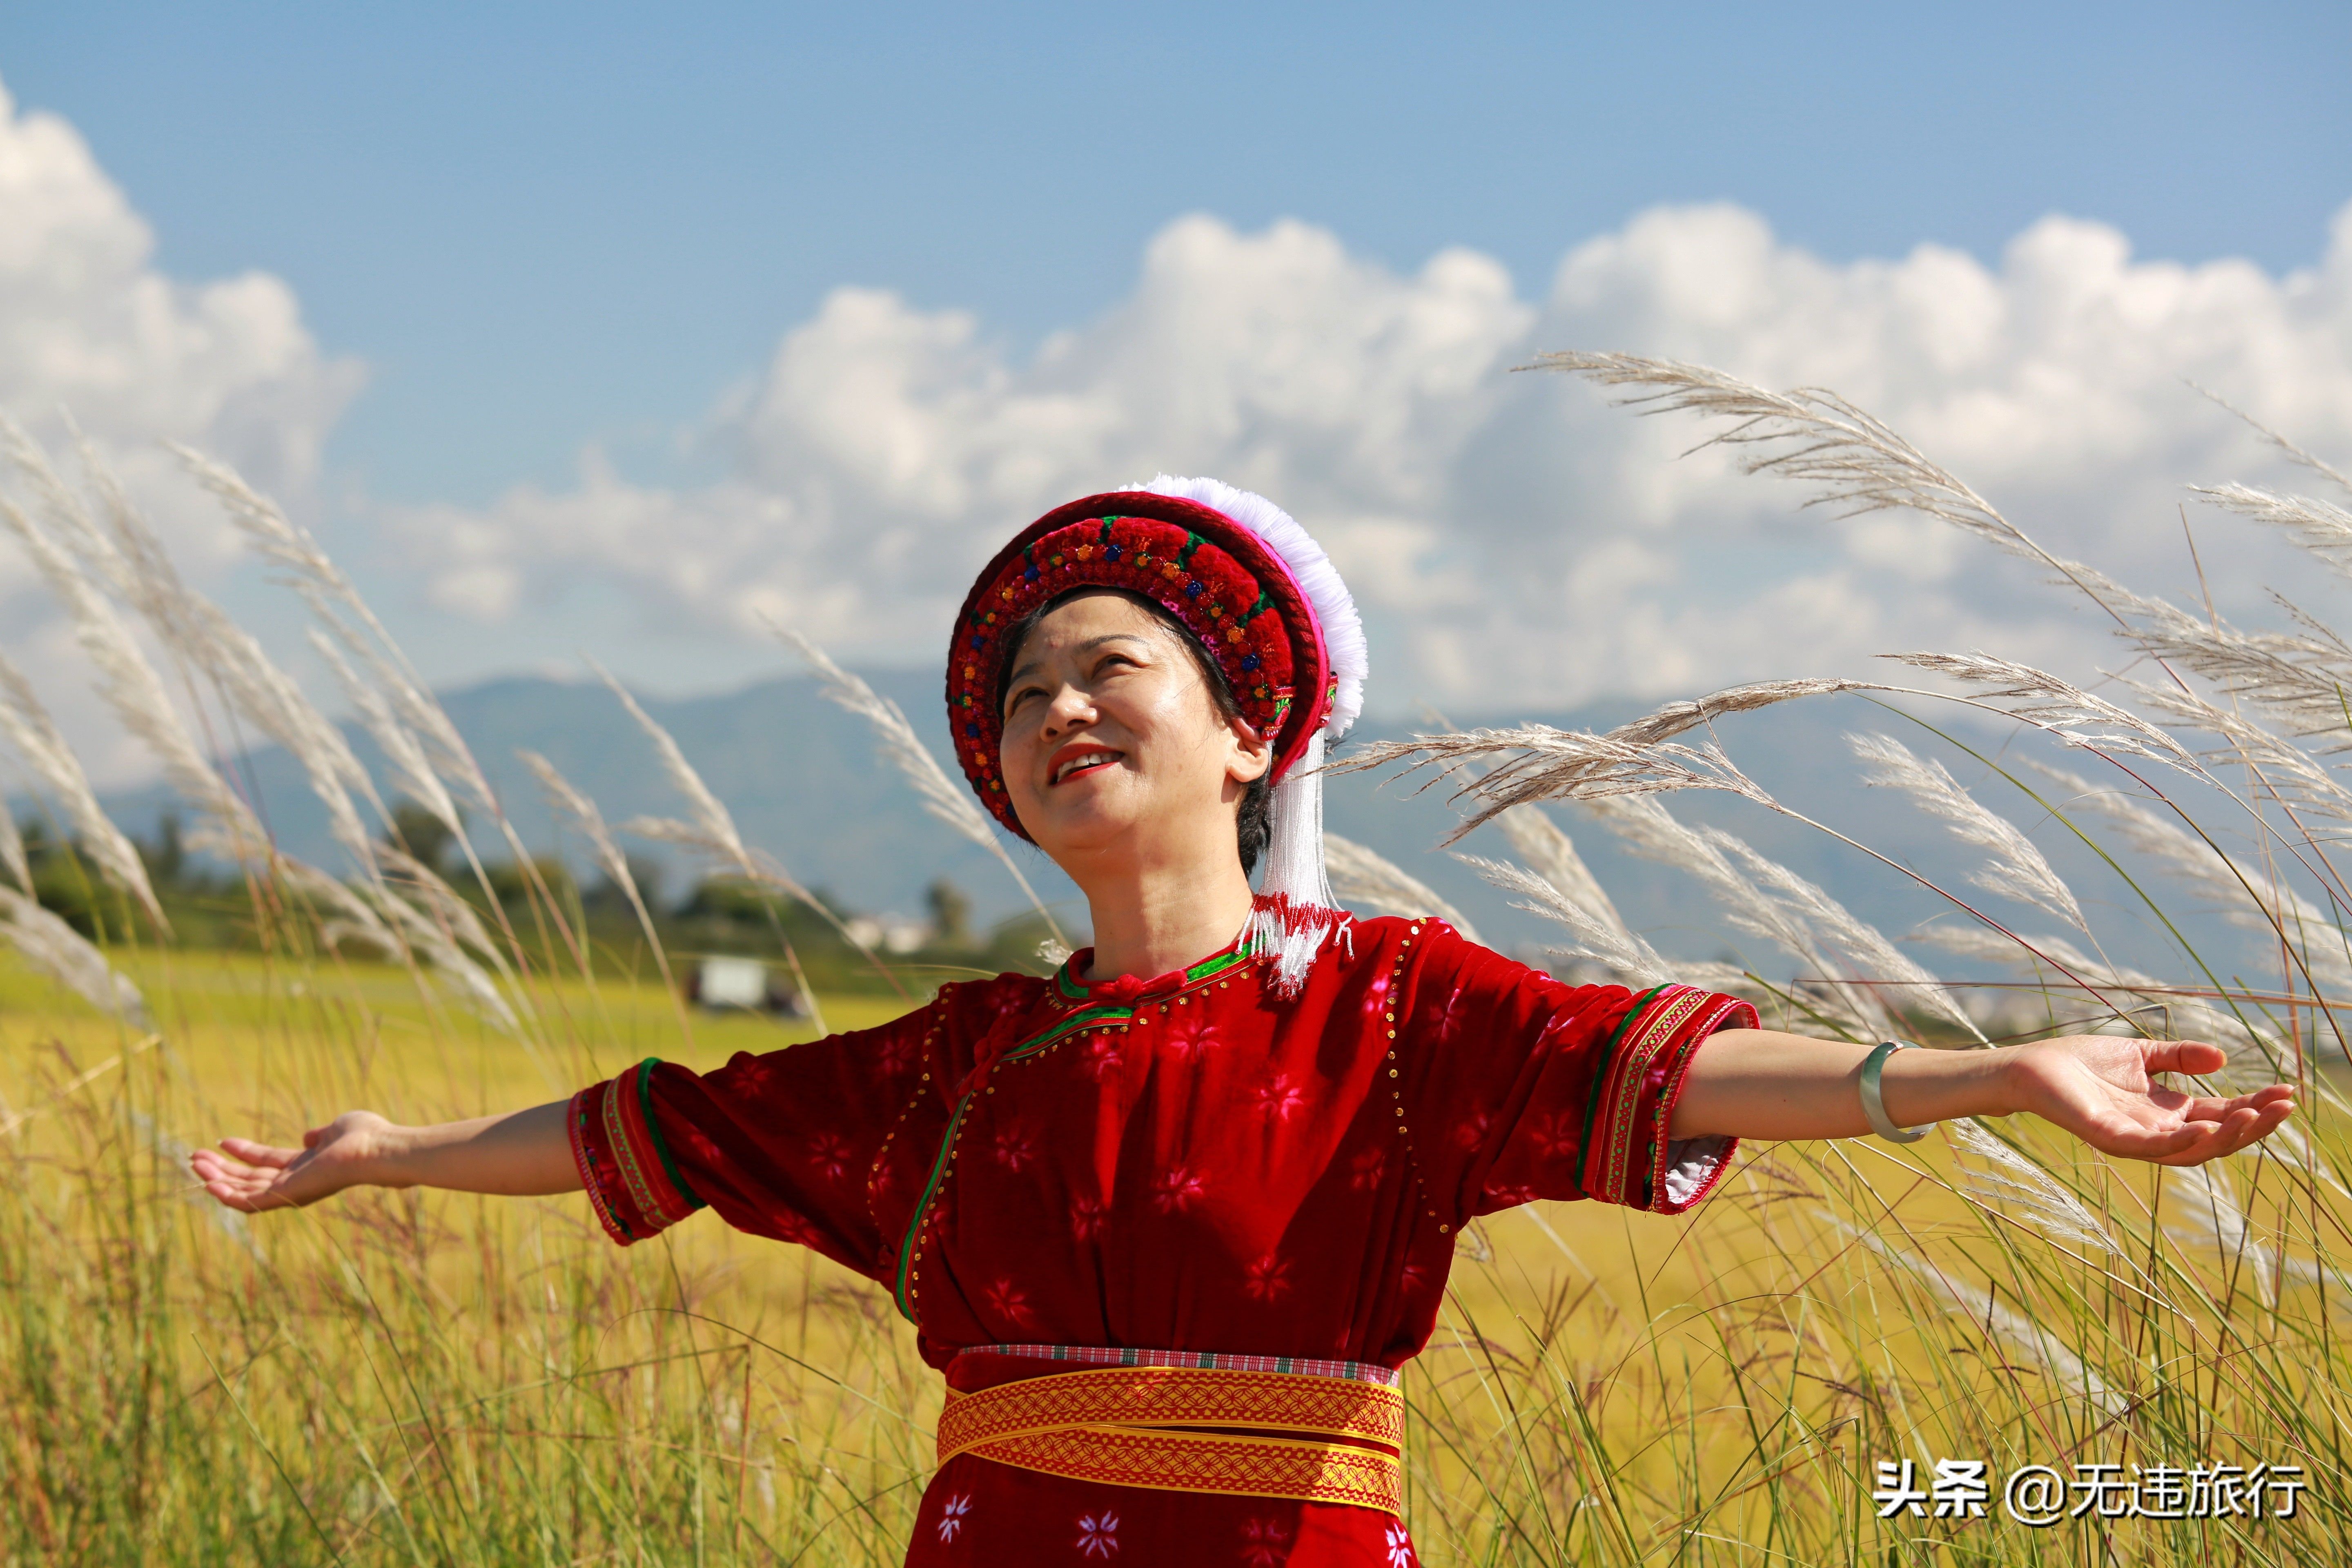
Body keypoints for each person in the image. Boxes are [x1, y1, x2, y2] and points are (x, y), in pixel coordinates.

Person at [194, 479, 2295, 1566]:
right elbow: (656, 1127)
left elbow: (1649, 1067)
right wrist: (389, 1150)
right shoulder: (949, 1068)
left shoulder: (1389, 1013)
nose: (1056, 711)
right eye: (1022, 696)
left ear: (1250, 729)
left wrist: (1992, 1076)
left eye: (1108, 669)